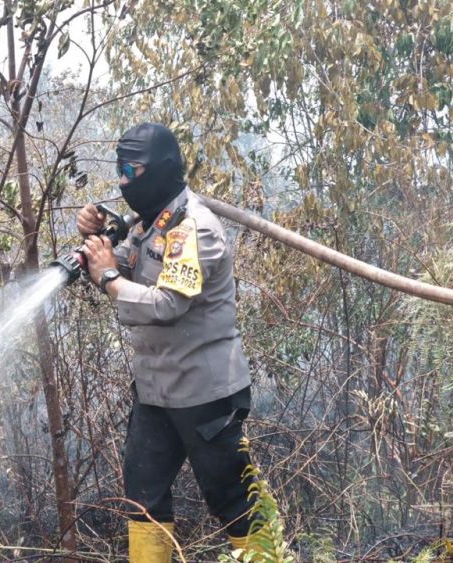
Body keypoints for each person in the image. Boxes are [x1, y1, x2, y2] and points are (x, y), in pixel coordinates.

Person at [78, 123, 256, 561]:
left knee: (233, 503)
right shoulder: (151, 223)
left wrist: (107, 276)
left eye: (132, 170)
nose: (123, 182)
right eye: (119, 170)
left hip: (205, 395)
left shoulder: (195, 228)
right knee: (143, 501)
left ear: (162, 169)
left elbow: (166, 304)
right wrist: (94, 240)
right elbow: (121, 264)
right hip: (156, 392)